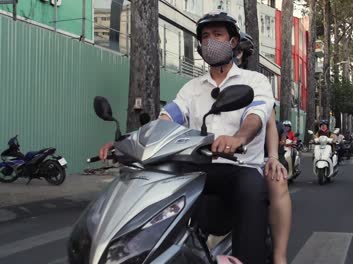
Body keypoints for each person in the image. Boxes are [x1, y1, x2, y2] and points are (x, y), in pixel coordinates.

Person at [100, 11, 273, 263]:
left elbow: (255, 116)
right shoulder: (191, 88)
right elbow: (167, 119)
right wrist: (127, 143)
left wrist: (238, 139)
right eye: (205, 36)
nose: (210, 40)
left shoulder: (255, 81)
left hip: (238, 168)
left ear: (233, 42)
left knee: (251, 186)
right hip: (197, 169)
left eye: (217, 34)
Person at [236, 32, 291, 264]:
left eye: (238, 50)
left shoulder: (256, 82)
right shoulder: (203, 84)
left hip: (251, 159)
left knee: (277, 179)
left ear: (243, 54)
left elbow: (268, 121)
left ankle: (279, 255)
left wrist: (273, 156)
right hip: (209, 159)